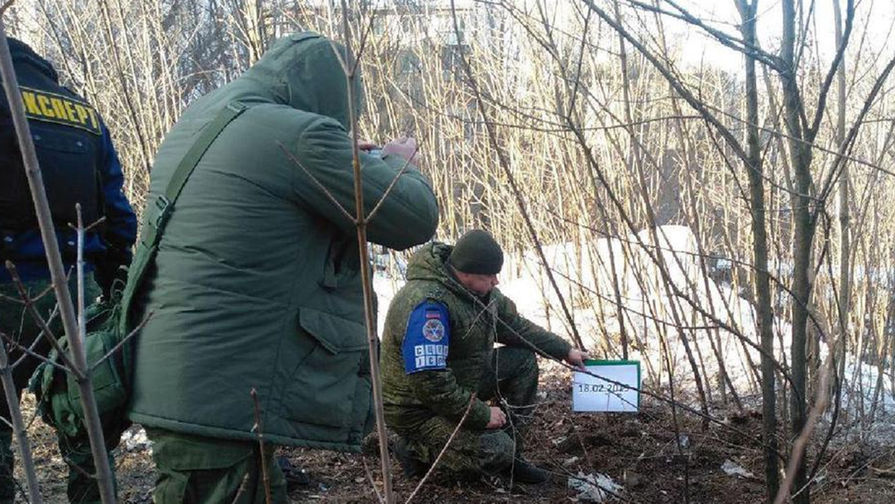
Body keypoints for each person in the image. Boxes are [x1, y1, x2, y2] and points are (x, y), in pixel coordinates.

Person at [123, 32, 439, 503]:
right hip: (220, 397)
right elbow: (413, 216)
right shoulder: (298, 134)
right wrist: (396, 165)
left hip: (189, 377)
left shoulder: (206, 118)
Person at [0, 37, 137, 503]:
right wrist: (115, 275)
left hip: (6, 285)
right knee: (84, 419)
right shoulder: (81, 110)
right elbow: (118, 210)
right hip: (77, 287)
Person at [381, 229, 589, 484]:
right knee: (494, 450)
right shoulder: (427, 305)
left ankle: (511, 459)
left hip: (460, 382)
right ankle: (414, 449)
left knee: (522, 361)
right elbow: (429, 381)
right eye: (489, 276)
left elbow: (515, 327)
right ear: (466, 273)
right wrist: (480, 414)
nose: (496, 282)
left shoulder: (480, 293)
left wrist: (564, 350)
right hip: (417, 409)